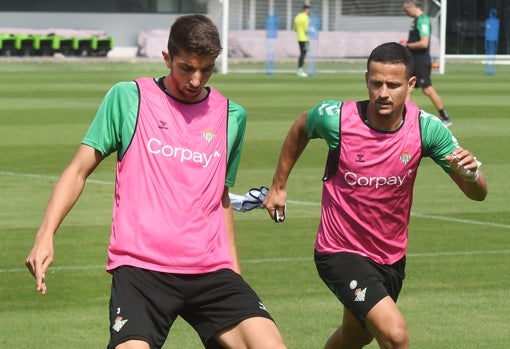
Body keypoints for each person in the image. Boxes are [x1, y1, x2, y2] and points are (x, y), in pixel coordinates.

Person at [25, 14, 287, 349]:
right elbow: (78, 170)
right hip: (141, 269)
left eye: (206, 69)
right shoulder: (129, 97)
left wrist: (233, 268)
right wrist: (45, 235)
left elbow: (218, 195)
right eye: (186, 68)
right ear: (167, 58)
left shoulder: (230, 115)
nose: (196, 79)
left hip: (210, 269)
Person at [263, 42, 487, 349]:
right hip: (339, 251)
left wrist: (471, 174)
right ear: (366, 79)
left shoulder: (426, 129)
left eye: (393, 85)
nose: (383, 93)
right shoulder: (337, 118)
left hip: (390, 256)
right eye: (376, 83)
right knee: (395, 335)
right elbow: (302, 126)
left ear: (411, 85)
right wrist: (278, 186)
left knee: (354, 337)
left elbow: (478, 194)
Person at [401, 0, 453, 127]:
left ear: (413, 6)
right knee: (408, 88)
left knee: (427, 89)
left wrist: (406, 45)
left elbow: (424, 43)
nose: (406, 14)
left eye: (407, 11)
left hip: (421, 61)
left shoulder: (423, 20)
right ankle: (406, 117)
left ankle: (445, 116)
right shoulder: (416, 20)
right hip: (414, 60)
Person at [293, 4, 311, 77]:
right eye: (309, 10)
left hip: (299, 38)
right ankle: (300, 70)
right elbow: (306, 29)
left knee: (302, 53)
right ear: (306, 10)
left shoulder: (297, 16)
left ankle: (300, 69)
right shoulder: (306, 17)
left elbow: (294, 28)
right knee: (303, 54)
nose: (309, 11)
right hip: (305, 38)